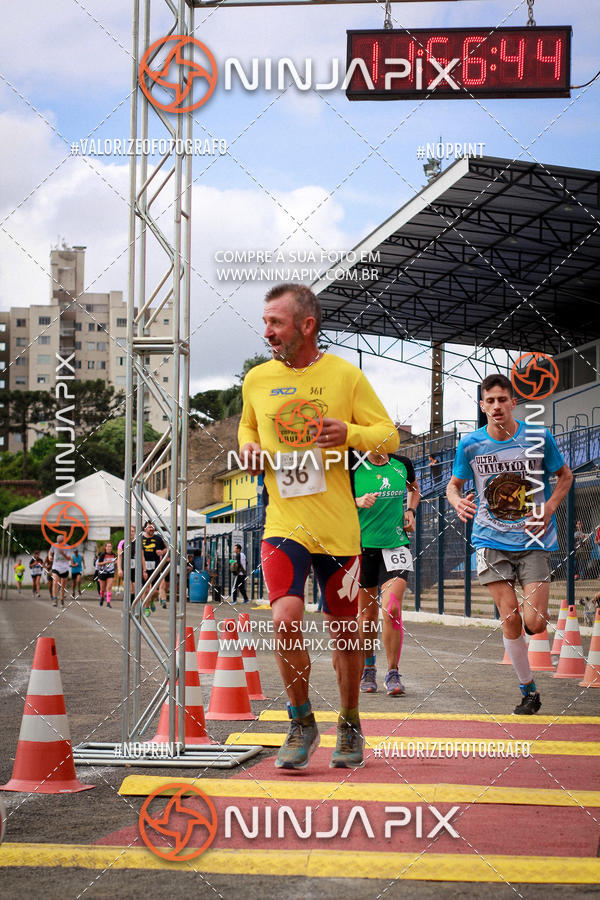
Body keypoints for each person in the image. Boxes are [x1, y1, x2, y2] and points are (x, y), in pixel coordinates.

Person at [239, 283, 399, 770]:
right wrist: (248, 447)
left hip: (337, 529)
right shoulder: (257, 379)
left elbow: (388, 437)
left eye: (276, 323)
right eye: (265, 322)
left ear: (306, 325)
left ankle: (349, 722)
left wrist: (350, 432)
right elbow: (248, 425)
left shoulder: (345, 376)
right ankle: (301, 720)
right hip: (284, 523)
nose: (267, 332)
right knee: (285, 619)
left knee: (346, 636)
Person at [446, 373, 573, 715]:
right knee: (511, 618)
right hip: (489, 539)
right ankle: (528, 690)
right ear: (482, 405)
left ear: (513, 402)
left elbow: (565, 476)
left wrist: (549, 508)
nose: (497, 406)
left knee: (536, 623)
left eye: (502, 399)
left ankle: (531, 615)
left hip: (534, 539)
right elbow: (453, 485)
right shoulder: (470, 444)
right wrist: (457, 501)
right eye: (490, 401)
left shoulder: (538, 437)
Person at [354, 451, 420, 696]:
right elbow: (334, 499)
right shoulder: (352, 464)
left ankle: (393, 672)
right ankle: (368, 668)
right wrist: (357, 501)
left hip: (395, 545)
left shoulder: (402, 464)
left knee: (391, 608)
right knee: (367, 616)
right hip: (361, 547)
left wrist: (411, 510)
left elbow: (414, 489)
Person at [117, 525, 148, 608]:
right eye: (129, 531)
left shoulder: (138, 543)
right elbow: (119, 557)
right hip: (126, 569)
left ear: (135, 533)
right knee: (129, 589)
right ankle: (129, 607)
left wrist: (144, 570)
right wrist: (119, 569)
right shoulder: (122, 543)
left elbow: (142, 557)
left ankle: (135, 607)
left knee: (136, 590)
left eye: (132, 531)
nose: (131, 533)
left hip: (136, 569)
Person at [141, 521, 167, 615]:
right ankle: (146, 608)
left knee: (155, 590)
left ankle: (151, 600)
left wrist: (162, 552)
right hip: (144, 566)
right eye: (149, 527)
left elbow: (166, 548)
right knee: (146, 589)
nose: (151, 529)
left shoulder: (158, 538)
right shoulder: (141, 539)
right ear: (145, 529)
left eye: (153, 527)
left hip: (155, 566)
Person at [48, 537, 72, 607]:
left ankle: (62, 600)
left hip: (64, 568)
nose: (59, 544)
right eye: (58, 542)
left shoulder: (67, 547)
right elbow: (50, 552)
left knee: (62, 586)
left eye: (61, 542)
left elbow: (69, 558)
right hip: (56, 567)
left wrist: (63, 554)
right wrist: (50, 556)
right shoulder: (54, 545)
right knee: (55, 582)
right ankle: (55, 599)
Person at [97, 541, 117, 607]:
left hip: (110, 572)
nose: (109, 548)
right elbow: (99, 563)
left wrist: (116, 562)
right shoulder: (102, 555)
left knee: (109, 587)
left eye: (110, 546)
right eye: (108, 546)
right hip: (103, 572)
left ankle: (108, 602)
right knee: (102, 589)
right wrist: (106, 562)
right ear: (105, 547)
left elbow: (116, 561)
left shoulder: (114, 555)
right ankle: (102, 598)